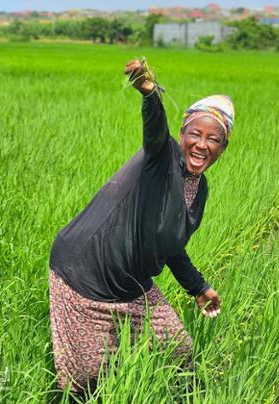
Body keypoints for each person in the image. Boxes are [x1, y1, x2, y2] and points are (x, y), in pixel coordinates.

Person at [47, 59, 234, 394]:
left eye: (213, 139)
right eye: (195, 133)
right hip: (87, 274)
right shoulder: (161, 159)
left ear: (223, 147)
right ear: (182, 134)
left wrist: (199, 288)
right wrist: (150, 94)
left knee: (180, 350)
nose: (202, 144)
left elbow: (171, 245)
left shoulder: (199, 190)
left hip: (132, 283)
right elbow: (155, 130)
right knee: (86, 379)